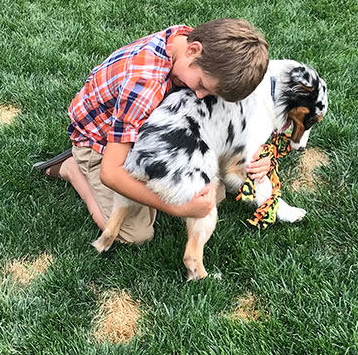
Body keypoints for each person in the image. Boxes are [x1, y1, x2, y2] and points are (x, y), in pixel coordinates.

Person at [35, 19, 270, 244]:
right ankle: (73, 169)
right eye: (201, 86)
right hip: (102, 143)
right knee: (134, 234)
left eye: (210, 94)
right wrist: (179, 208)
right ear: (193, 51)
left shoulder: (191, 45)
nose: (199, 96)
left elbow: (229, 119)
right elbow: (111, 173)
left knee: (212, 194)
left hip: (152, 134)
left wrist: (254, 156)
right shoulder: (144, 86)